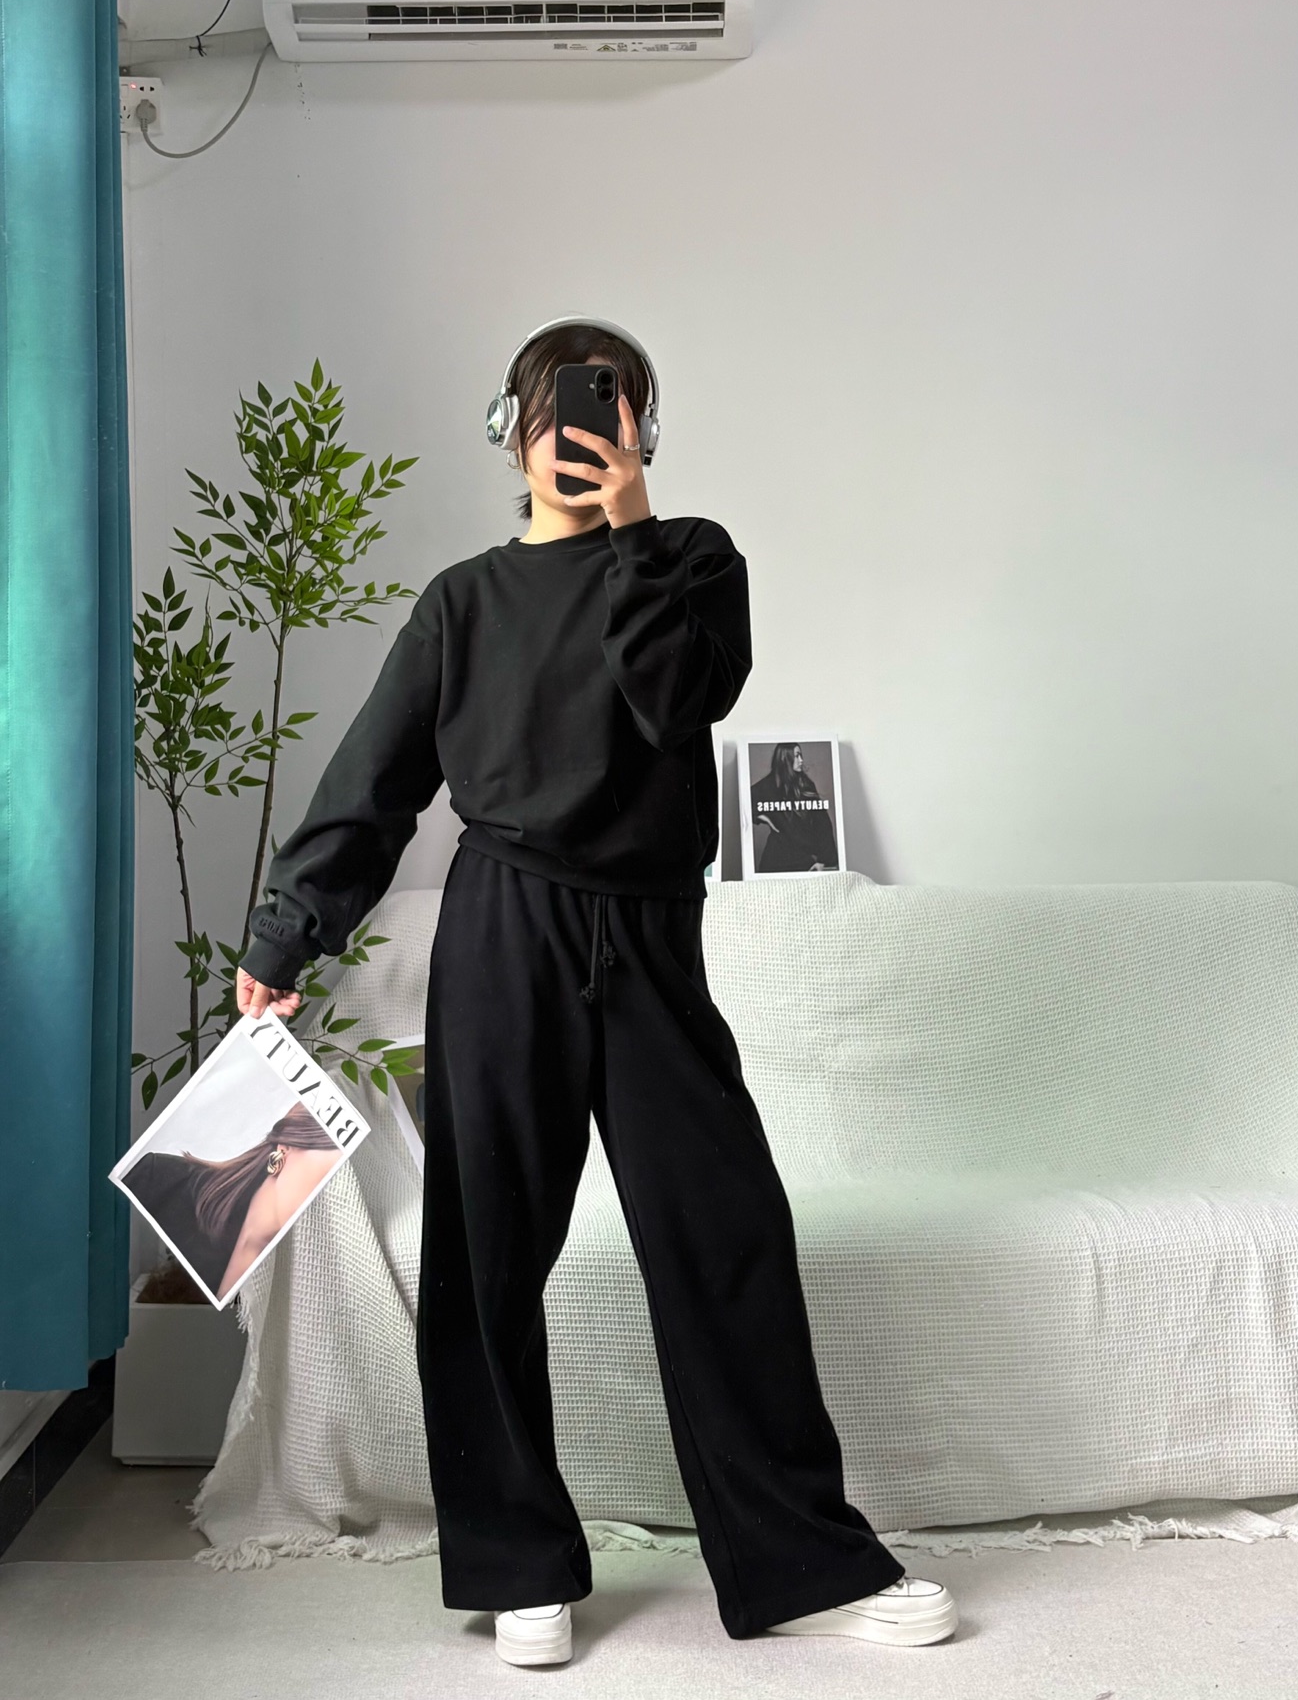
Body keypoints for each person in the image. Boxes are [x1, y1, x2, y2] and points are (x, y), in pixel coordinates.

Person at [233, 320, 956, 1667]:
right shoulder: (461, 602)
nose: (575, 432)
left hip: (649, 936)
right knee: (487, 1251)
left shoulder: (693, 561)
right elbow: (374, 778)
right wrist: (288, 930)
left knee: (725, 1231)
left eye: (609, 409)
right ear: (510, 429)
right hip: (504, 928)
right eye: (555, 408)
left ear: (642, 430)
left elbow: (679, 701)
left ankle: (803, 1559)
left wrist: (634, 528)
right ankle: (519, 1563)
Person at [123, 1106, 338, 1302]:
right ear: (286, 1147)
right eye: (331, 1171)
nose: (333, 1191)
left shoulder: (300, 1286)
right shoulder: (161, 1181)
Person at [750, 742, 840, 873]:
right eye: (797, 756)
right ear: (785, 758)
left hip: (803, 859)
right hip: (775, 859)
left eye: (801, 755)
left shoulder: (806, 785)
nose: (801, 760)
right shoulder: (768, 786)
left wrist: (824, 860)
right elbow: (745, 803)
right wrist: (764, 818)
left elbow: (822, 823)